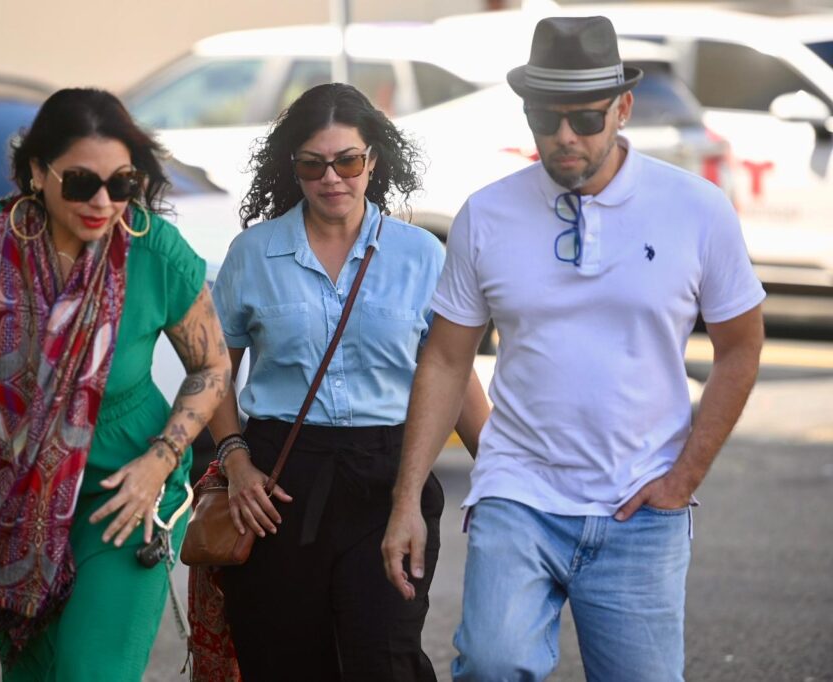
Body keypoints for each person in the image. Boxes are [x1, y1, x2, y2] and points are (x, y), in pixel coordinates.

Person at [382, 16, 766, 682]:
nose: (564, 135)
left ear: (623, 108)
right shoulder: (487, 214)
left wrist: (684, 478)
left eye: (586, 118)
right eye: (546, 117)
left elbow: (741, 346)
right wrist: (407, 498)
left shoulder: (697, 210)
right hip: (519, 495)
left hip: (641, 506)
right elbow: (445, 359)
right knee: (491, 666)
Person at [0, 88, 229, 681]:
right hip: (14, 495)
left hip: (127, 493)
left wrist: (161, 461)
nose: (103, 202)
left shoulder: (153, 250)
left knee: (89, 671)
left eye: (121, 183)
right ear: (37, 172)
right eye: (81, 182)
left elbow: (213, 366)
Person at [191, 82, 489, 681]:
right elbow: (214, 369)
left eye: (348, 161)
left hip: (390, 476)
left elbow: (453, 374)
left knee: (386, 659)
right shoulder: (253, 253)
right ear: (293, 167)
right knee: (284, 664)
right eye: (313, 164)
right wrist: (235, 459)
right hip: (278, 482)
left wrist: (504, 480)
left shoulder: (421, 255)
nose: (332, 178)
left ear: (373, 160)